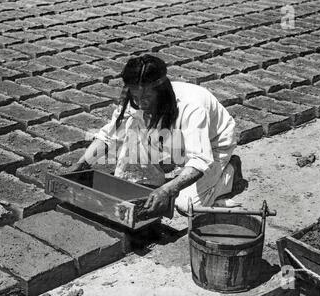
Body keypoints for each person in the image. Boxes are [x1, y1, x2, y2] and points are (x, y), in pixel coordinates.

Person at [73, 54, 245, 216]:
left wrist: (167, 189)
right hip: (175, 139)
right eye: (135, 96)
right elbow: (110, 136)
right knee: (132, 129)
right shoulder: (136, 102)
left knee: (186, 204)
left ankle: (230, 171)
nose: (140, 103)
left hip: (213, 145)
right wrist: (82, 163)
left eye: (147, 96)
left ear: (161, 90)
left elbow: (200, 159)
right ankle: (152, 178)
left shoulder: (191, 107)